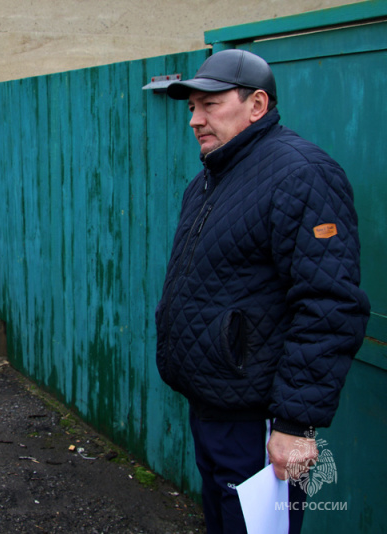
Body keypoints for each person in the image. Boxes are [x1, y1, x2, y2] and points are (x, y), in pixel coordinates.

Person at [155, 49, 369, 533]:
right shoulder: (209, 179)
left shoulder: (302, 174)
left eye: (209, 103)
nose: (195, 119)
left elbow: (329, 303)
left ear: (257, 104)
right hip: (213, 409)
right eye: (191, 108)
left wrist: (294, 424)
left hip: (261, 422)